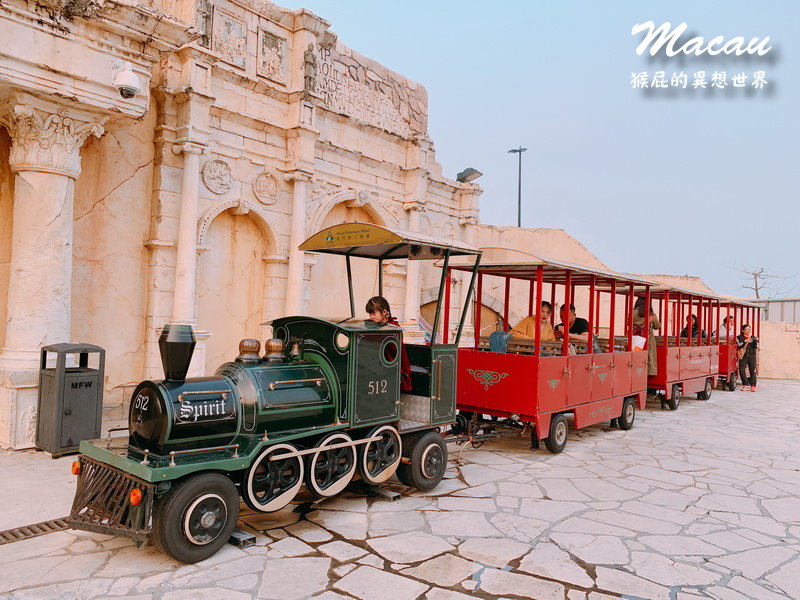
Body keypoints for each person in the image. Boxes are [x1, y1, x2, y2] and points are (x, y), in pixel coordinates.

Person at [365, 296, 412, 392]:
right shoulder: (375, 326)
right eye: (370, 314)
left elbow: (394, 349)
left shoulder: (394, 327)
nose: (371, 317)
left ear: (385, 312)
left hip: (395, 370)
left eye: (374, 313)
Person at [632, 297, 660, 376]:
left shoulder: (632, 312)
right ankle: (649, 372)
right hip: (647, 339)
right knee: (649, 355)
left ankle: (635, 370)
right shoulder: (651, 315)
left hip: (635, 339)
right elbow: (657, 326)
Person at [737, 324, 760, 392]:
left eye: (749, 329)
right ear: (743, 330)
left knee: (752, 371)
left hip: (752, 356)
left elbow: (756, 346)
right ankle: (745, 384)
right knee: (741, 370)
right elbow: (739, 345)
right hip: (743, 356)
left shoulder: (753, 337)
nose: (749, 331)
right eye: (747, 329)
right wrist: (745, 341)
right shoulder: (739, 337)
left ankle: (753, 386)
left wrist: (755, 341)